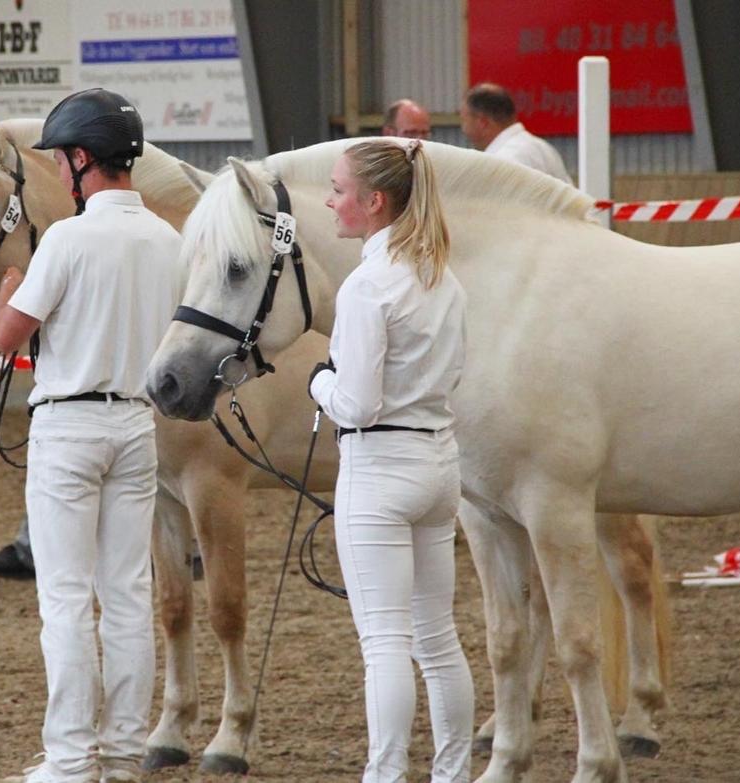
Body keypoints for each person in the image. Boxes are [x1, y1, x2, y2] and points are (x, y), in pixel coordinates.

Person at [0, 87, 184, 783]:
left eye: (61, 159)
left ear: (80, 159)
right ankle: (125, 753)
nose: (58, 169)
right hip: (135, 423)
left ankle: (72, 760)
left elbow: (8, 336)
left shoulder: (68, 238)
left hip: (70, 426)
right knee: (127, 595)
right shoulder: (168, 240)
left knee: (67, 599)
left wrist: (9, 288)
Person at [309, 138, 473, 783]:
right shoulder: (443, 279)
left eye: (339, 190)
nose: (331, 201)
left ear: (374, 201)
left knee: (385, 643)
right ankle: (452, 774)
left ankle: (385, 774)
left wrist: (319, 382)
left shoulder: (366, 286)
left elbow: (355, 403)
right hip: (438, 463)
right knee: (438, 639)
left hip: (380, 467)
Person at [459, 81, 573, 184]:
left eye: (464, 120)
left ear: (483, 123)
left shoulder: (501, 161)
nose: (463, 129)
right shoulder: (545, 149)